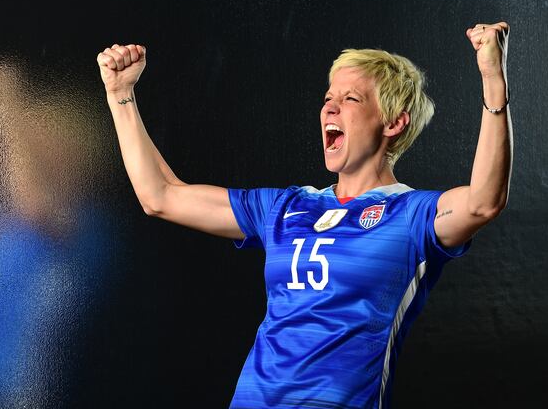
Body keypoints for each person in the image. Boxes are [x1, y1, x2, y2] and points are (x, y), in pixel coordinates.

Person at [96, 22, 511, 409]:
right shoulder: (287, 207)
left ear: (393, 123)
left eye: (350, 99)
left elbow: (482, 201)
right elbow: (161, 196)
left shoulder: (411, 215)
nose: (330, 108)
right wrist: (121, 95)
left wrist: (493, 79)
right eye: (328, 97)